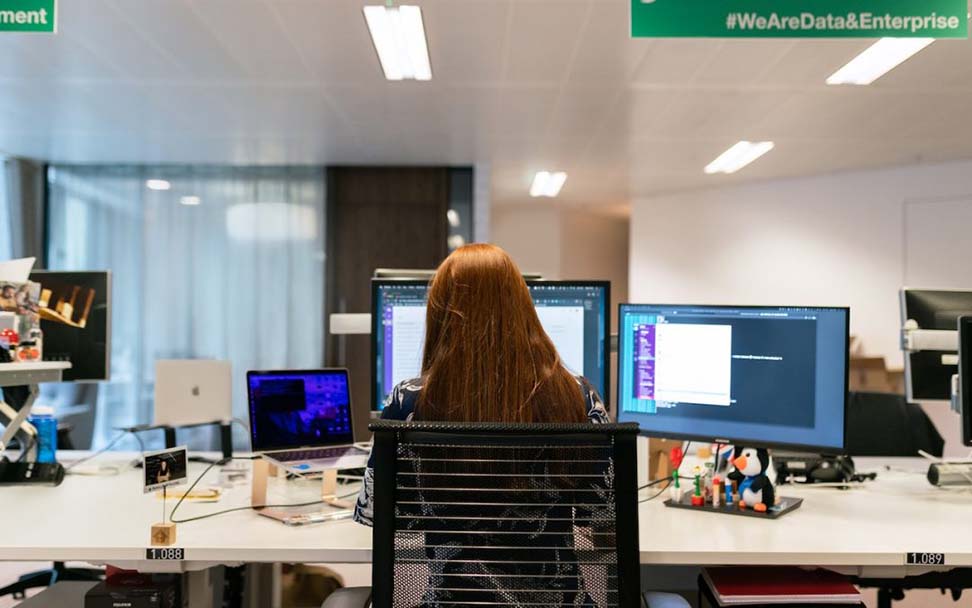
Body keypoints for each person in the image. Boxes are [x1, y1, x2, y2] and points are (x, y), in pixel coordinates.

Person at [353, 243, 607, 604]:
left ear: (440, 315)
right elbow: (604, 517)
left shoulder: (408, 402)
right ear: (522, 309)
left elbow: (382, 514)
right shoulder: (577, 396)